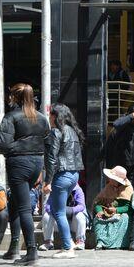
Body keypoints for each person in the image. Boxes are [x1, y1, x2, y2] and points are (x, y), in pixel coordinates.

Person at [0, 83, 50, 265]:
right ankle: (14, 248)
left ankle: (31, 252)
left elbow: (0, 145)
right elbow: (48, 145)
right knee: (16, 203)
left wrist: (17, 147)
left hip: (19, 163)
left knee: (23, 208)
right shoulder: (42, 118)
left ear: (15, 97)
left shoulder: (12, 117)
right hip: (37, 163)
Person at [42, 103, 85, 258]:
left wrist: (48, 182)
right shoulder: (73, 131)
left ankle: (68, 248)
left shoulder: (56, 132)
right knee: (57, 210)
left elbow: (52, 159)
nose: (49, 117)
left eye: (51, 115)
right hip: (74, 174)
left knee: (58, 211)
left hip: (61, 175)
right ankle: (69, 243)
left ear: (56, 116)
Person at [93, 166, 134, 250]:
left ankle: (117, 244)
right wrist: (99, 211)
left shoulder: (128, 189)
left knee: (124, 218)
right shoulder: (108, 187)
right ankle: (101, 242)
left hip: (121, 214)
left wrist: (116, 210)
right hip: (106, 212)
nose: (109, 179)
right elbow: (98, 203)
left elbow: (129, 207)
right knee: (98, 219)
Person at [39, 184, 88, 252]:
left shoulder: (78, 190)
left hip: (72, 223)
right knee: (46, 216)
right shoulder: (56, 190)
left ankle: (80, 241)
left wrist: (69, 210)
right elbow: (48, 207)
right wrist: (59, 210)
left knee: (80, 215)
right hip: (58, 224)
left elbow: (81, 206)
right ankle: (48, 242)